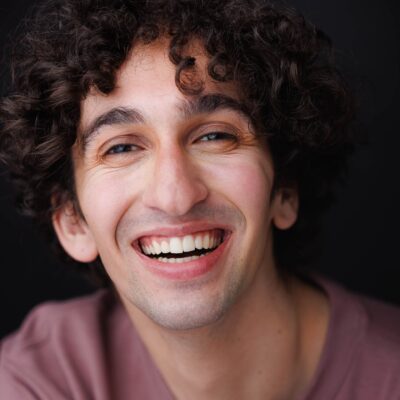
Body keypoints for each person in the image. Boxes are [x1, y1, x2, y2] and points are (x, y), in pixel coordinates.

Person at [0, 0, 399, 399]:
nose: (175, 196)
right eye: (121, 148)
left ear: (284, 191)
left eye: (215, 136)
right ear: (72, 220)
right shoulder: (33, 382)